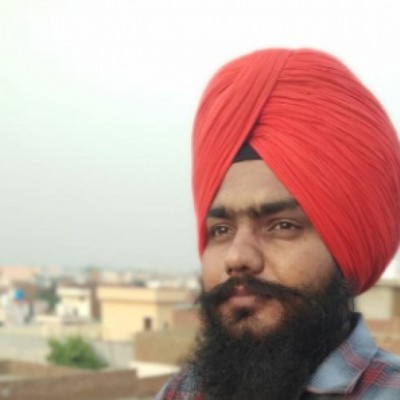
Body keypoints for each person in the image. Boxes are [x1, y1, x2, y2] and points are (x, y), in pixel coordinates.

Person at [156, 48, 400, 399]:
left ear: (347, 245)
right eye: (221, 230)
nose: (237, 257)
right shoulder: (183, 392)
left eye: (282, 226)